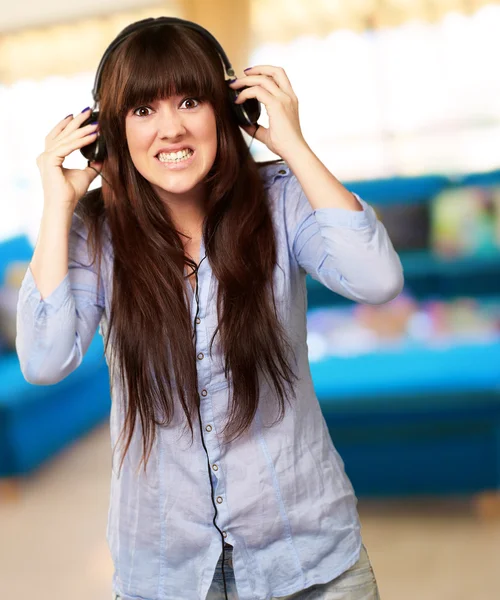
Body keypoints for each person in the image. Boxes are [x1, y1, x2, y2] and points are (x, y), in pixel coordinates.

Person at [16, 16, 403, 600]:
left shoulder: (282, 201)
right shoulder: (92, 236)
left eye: (190, 100)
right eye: (143, 111)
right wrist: (58, 204)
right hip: (164, 574)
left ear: (229, 109)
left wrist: (292, 142)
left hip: (310, 561)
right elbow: (44, 360)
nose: (170, 130)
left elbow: (377, 279)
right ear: (107, 131)